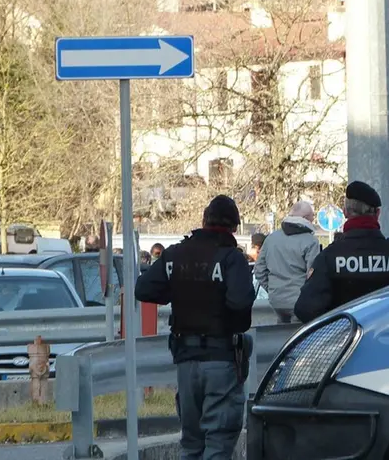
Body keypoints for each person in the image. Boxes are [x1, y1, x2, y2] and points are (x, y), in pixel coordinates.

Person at [135, 195, 255, 460]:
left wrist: (177, 289)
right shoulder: (231, 259)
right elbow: (241, 301)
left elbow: (143, 289)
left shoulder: (176, 254)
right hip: (221, 360)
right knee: (219, 441)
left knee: (191, 444)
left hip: (185, 362)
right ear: (235, 228)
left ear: (203, 219)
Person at [294, 181, 389, 323]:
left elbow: (305, 309)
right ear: (378, 213)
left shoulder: (329, 257)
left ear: (345, 212)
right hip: (387, 337)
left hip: (346, 340)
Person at [254, 201, 320, 324]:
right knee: (297, 337)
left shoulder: (271, 238)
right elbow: (313, 275)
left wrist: (272, 288)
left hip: (276, 299)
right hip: (299, 300)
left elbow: (259, 270)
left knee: (280, 334)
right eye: (312, 216)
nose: (313, 220)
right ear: (305, 218)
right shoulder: (311, 241)